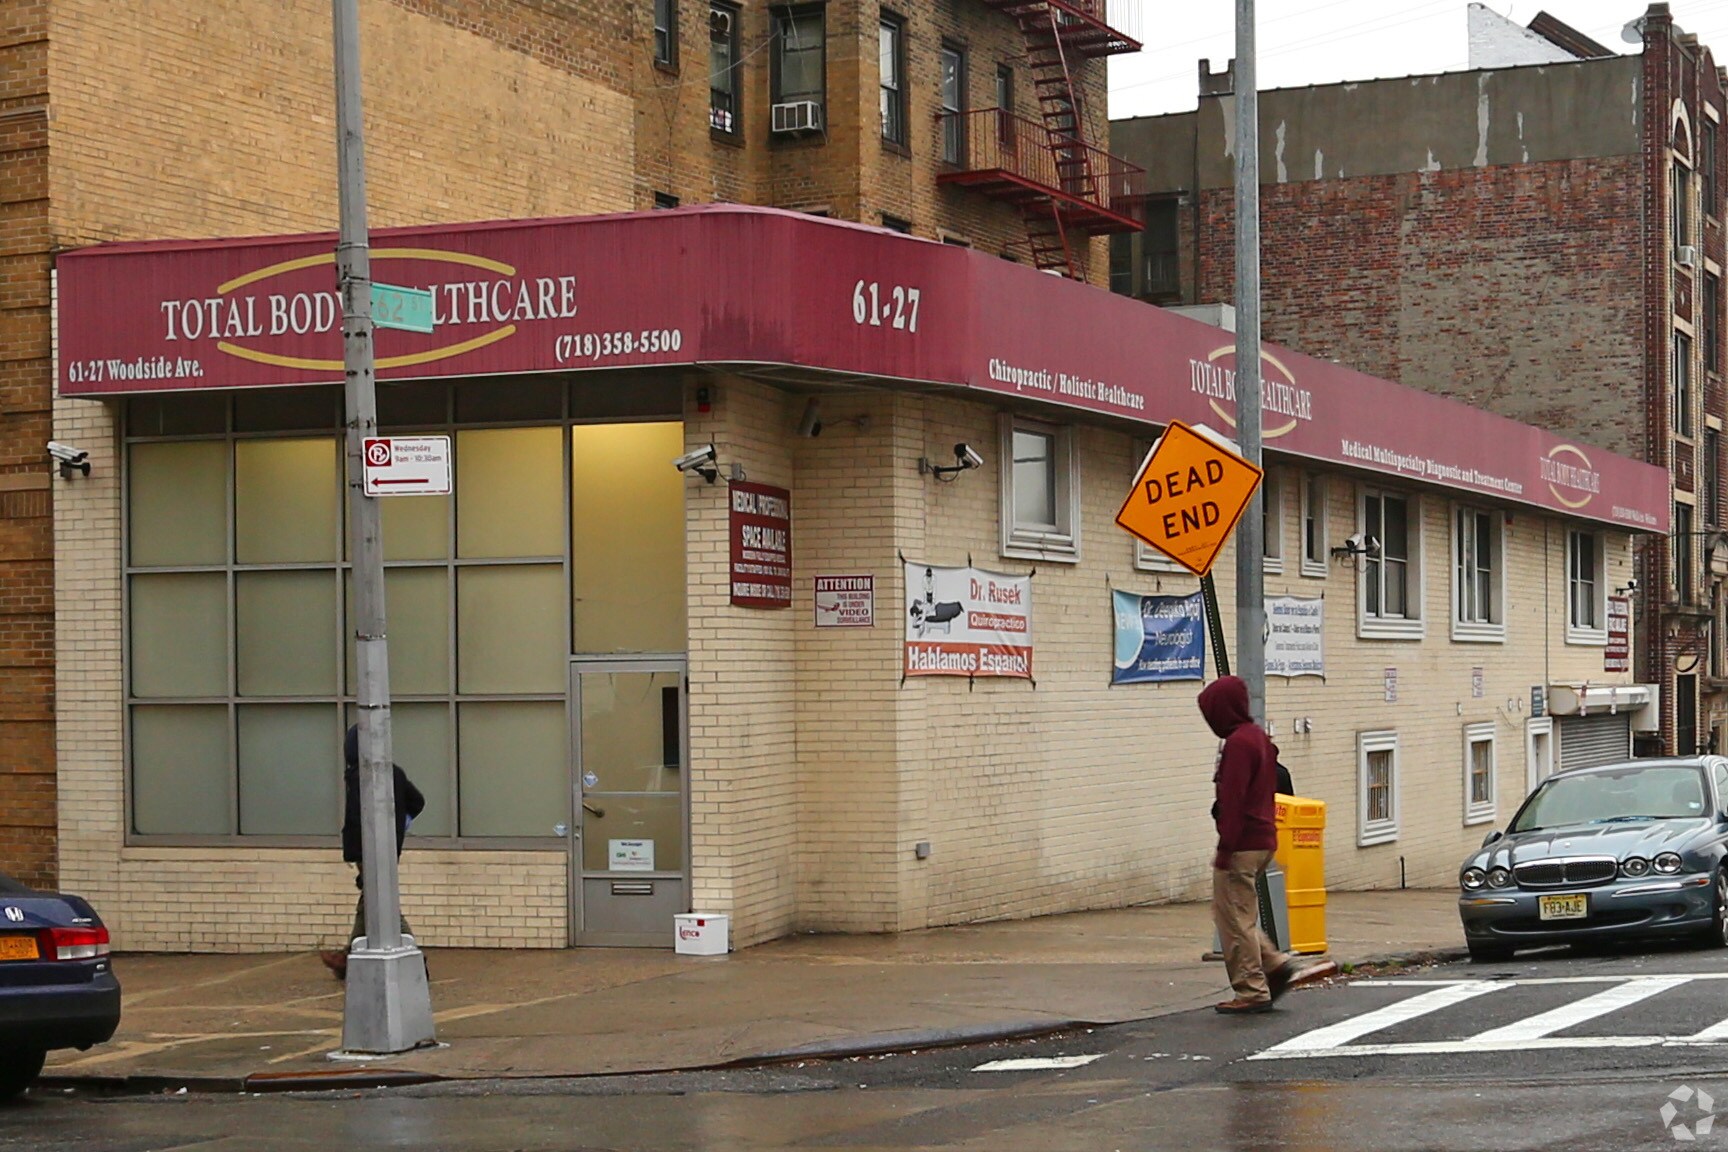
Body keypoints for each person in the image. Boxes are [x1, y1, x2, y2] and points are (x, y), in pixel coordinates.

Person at [1199, 676, 1336, 1014]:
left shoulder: (1237, 744)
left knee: (1233, 919)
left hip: (1241, 843)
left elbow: (1232, 801)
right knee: (1236, 913)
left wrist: (1224, 849)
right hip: (1265, 839)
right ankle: (1274, 963)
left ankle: (1252, 989)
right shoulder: (1258, 738)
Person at [320, 724, 425, 981]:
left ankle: (415, 958)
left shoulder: (361, 776)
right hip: (388, 847)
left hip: (368, 849)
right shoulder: (393, 773)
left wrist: (359, 852)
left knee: (381, 902)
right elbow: (417, 801)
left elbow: (358, 818)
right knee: (371, 900)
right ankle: (348, 956)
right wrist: (399, 825)